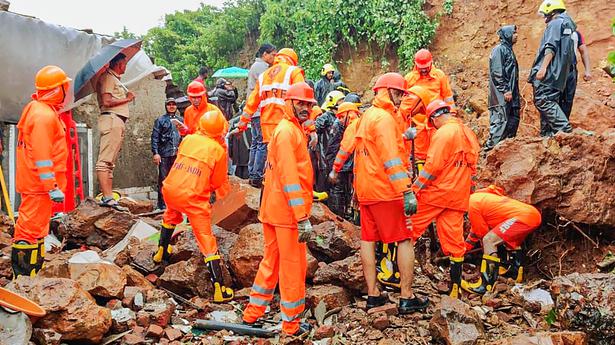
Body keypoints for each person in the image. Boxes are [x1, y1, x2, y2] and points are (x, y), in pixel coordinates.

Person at [242, 82, 315, 336]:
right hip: (286, 214)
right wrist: (302, 217)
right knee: (293, 266)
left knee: (271, 262)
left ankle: (253, 313)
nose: (306, 108)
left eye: (309, 104)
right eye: (302, 103)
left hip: (274, 209)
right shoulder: (288, 132)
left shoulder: (289, 129)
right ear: (290, 103)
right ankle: (291, 323)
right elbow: (289, 178)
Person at [353, 72, 427, 314]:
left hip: (366, 191)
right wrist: (406, 191)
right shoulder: (384, 119)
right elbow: (390, 160)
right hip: (386, 191)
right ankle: (407, 296)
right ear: (384, 91)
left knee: (368, 240)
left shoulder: (367, 116)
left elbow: (363, 154)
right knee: (405, 239)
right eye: (397, 93)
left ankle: (373, 294)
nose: (399, 98)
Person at [153, 109, 234, 303]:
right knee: (206, 239)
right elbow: (217, 181)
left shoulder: (188, 140)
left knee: (171, 215)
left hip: (171, 190)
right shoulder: (218, 150)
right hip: (194, 197)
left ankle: (161, 251)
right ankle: (219, 288)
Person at [409, 100, 480, 299]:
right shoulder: (467, 132)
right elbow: (473, 165)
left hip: (436, 194)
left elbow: (432, 167)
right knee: (455, 243)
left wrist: (414, 189)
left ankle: (396, 276)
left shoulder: (443, 134)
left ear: (434, 118)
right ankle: (455, 288)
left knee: (408, 228)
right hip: (458, 196)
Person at [12, 66, 70, 278]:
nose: (67, 89)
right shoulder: (43, 115)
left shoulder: (38, 109)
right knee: (28, 231)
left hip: (37, 185)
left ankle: (33, 273)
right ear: (57, 89)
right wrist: (51, 186)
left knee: (37, 231)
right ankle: (23, 279)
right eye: (65, 86)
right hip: (39, 186)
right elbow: (42, 155)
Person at [236, 48, 305, 188]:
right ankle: (285, 189)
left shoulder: (264, 76)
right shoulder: (294, 72)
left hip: (267, 125)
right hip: (286, 124)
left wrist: (241, 125)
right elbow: (302, 101)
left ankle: (269, 185)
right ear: (292, 60)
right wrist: (311, 127)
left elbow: (251, 104)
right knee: (288, 159)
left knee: (271, 157)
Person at [462, 185, 542, 294]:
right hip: (531, 214)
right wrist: (464, 248)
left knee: (489, 240)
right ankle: (514, 274)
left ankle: (487, 284)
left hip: (524, 217)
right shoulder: (479, 197)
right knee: (508, 240)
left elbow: (481, 233)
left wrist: (465, 251)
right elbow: (475, 230)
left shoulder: (471, 204)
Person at [528, 0, 575, 136]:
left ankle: (565, 130)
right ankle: (546, 136)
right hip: (560, 73)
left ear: (552, 11)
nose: (544, 18)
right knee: (551, 102)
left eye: (545, 14)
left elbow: (550, 47)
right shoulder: (568, 24)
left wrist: (543, 69)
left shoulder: (555, 23)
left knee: (543, 100)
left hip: (551, 72)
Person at [96, 53, 134, 210]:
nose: (125, 66)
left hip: (116, 121)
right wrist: (128, 98)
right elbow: (106, 101)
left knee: (109, 163)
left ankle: (109, 197)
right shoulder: (108, 78)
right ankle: (107, 197)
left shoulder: (114, 79)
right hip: (111, 119)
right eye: (124, 63)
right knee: (105, 162)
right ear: (119, 64)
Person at [246, 43, 277, 189]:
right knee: (261, 144)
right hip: (260, 110)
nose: (274, 57)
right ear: (264, 54)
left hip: (255, 111)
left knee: (255, 143)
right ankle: (257, 175)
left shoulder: (255, 66)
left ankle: (252, 173)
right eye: (272, 54)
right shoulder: (262, 68)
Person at [485, 25, 520, 151]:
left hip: (511, 97)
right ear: (507, 34)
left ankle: (505, 154)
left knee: (512, 123)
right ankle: (488, 154)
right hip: (500, 98)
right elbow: (497, 72)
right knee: (500, 125)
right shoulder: (499, 50)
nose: (516, 35)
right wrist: (505, 89)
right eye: (513, 33)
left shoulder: (508, 50)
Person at [326, 102, 361, 219]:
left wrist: (335, 169)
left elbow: (344, 150)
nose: (340, 120)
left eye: (341, 117)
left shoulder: (352, 127)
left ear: (349, 114)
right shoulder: (362, 123)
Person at [151, 98, 183, 210]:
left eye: (173, 104)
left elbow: (184, 136)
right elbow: (155, 137)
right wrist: (156, 153)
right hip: (164, 154)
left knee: (177, 180)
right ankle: (162, 205)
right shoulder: (160, 120)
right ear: (166, 106)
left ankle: (175, 204)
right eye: (169, 104)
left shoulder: (180, 120)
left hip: (177, 155)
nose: (171, 106)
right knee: (164, 180)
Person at [314, 90, 345, 194]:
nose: (343, 103)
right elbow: (313, 129)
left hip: (339, 156)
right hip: (327, 158)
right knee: (329, 187)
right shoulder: (325, 118)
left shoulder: (341, 117)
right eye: (341, 101)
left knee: (339, 186)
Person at [560, 29, 591, 119]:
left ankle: (564, 125)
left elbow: (584, 51)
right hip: (556, 71)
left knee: (568, 100)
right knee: (555, 98)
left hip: (571, 70)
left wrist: (588, 70)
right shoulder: (554, 30)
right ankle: (553, 127)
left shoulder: (576, 34)